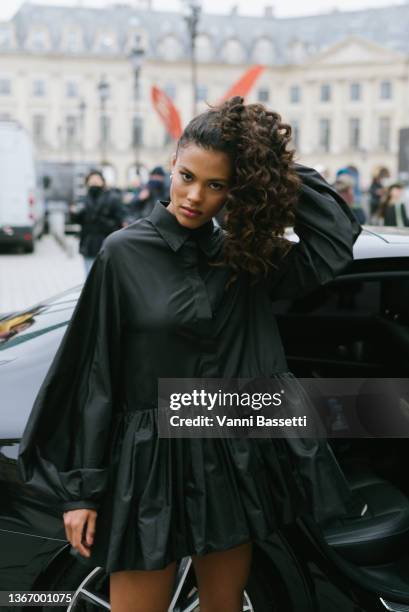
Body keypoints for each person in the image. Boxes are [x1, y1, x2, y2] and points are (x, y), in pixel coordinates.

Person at [18, 97, 360, 612]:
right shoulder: (121, 254)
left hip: (227, 456)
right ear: (173, 161)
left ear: (235, 189)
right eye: (187, 176)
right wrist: (82, 493)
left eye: (217, 184)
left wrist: (268, 163)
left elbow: (334, 236)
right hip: (147, 466)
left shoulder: (242, 258)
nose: (195, 196)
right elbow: (94, 375)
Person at [70, 170, 124, 274]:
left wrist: (104, 221)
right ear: (87, 183)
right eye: (91, 180)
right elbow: (77, 220)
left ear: (103, 182)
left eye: (97, 179)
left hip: (107, 242)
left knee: (107, 276)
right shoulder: (83, 200)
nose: (94, 182)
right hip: (88, 243)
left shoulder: (112, 198)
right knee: (89, 276)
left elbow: (119, 220)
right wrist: (73, 213)